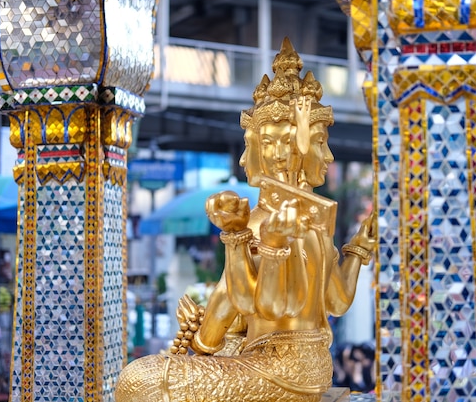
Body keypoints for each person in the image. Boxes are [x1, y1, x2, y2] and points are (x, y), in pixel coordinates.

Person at [115, 37, 376, 402]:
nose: (279, 154)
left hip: (282, 371)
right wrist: (359, 250)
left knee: (137, 379)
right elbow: (336, 301)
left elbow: (255, 308)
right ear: (265, 150)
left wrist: (249, 241)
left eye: (298, 142)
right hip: (315, 366)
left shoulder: (267, 223)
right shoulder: (317, 222)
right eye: (269, 144)